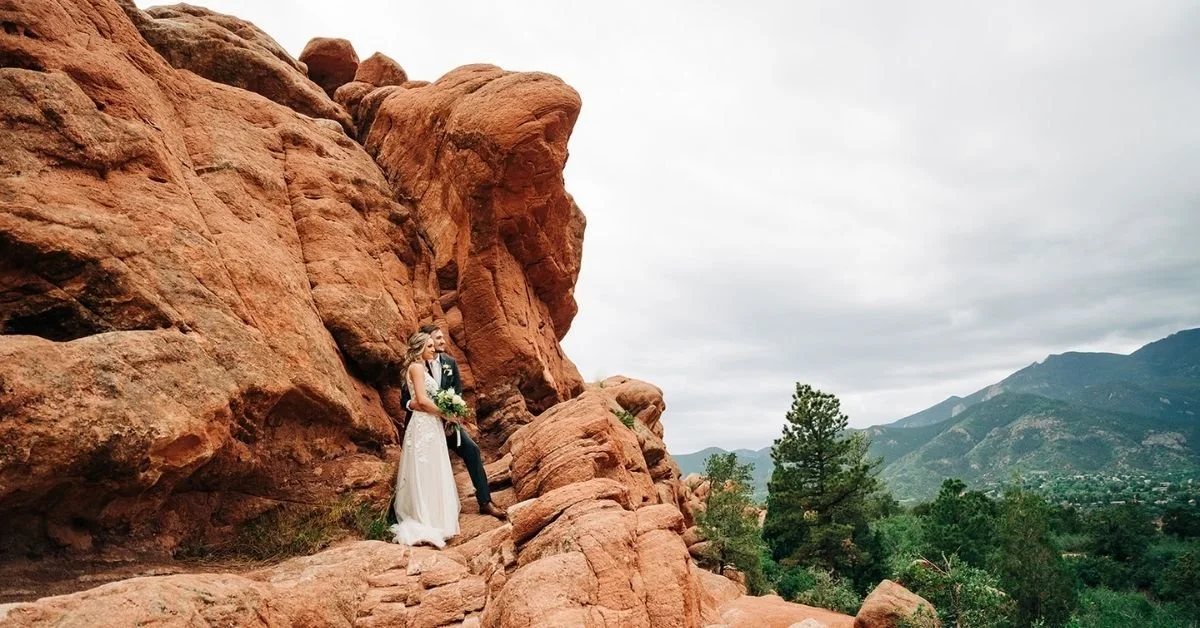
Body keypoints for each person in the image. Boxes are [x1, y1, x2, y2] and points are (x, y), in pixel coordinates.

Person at [399, 324, 506, 520]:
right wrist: (413, 404)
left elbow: (457, 393)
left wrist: (453, 414)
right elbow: (405, 400)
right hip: (425, 423)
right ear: (425, 341)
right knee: (424, 465)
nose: (442, 342)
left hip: (448, 424)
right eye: (437, 339)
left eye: (441, 339)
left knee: (471, 450)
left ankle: (485, 502)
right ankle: (418, 511)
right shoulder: (416, 365)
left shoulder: (450, 363)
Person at [388, 330, 460, 548]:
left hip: (430, 424)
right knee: (424, 470)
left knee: (432, 469)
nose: (433, 349)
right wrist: (446, 413)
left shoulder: (420, 367)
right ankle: (425, 519)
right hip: (423, 425)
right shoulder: (417, 368)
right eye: (429, 346)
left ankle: (437, 519)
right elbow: (420, 400)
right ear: (420, 348)